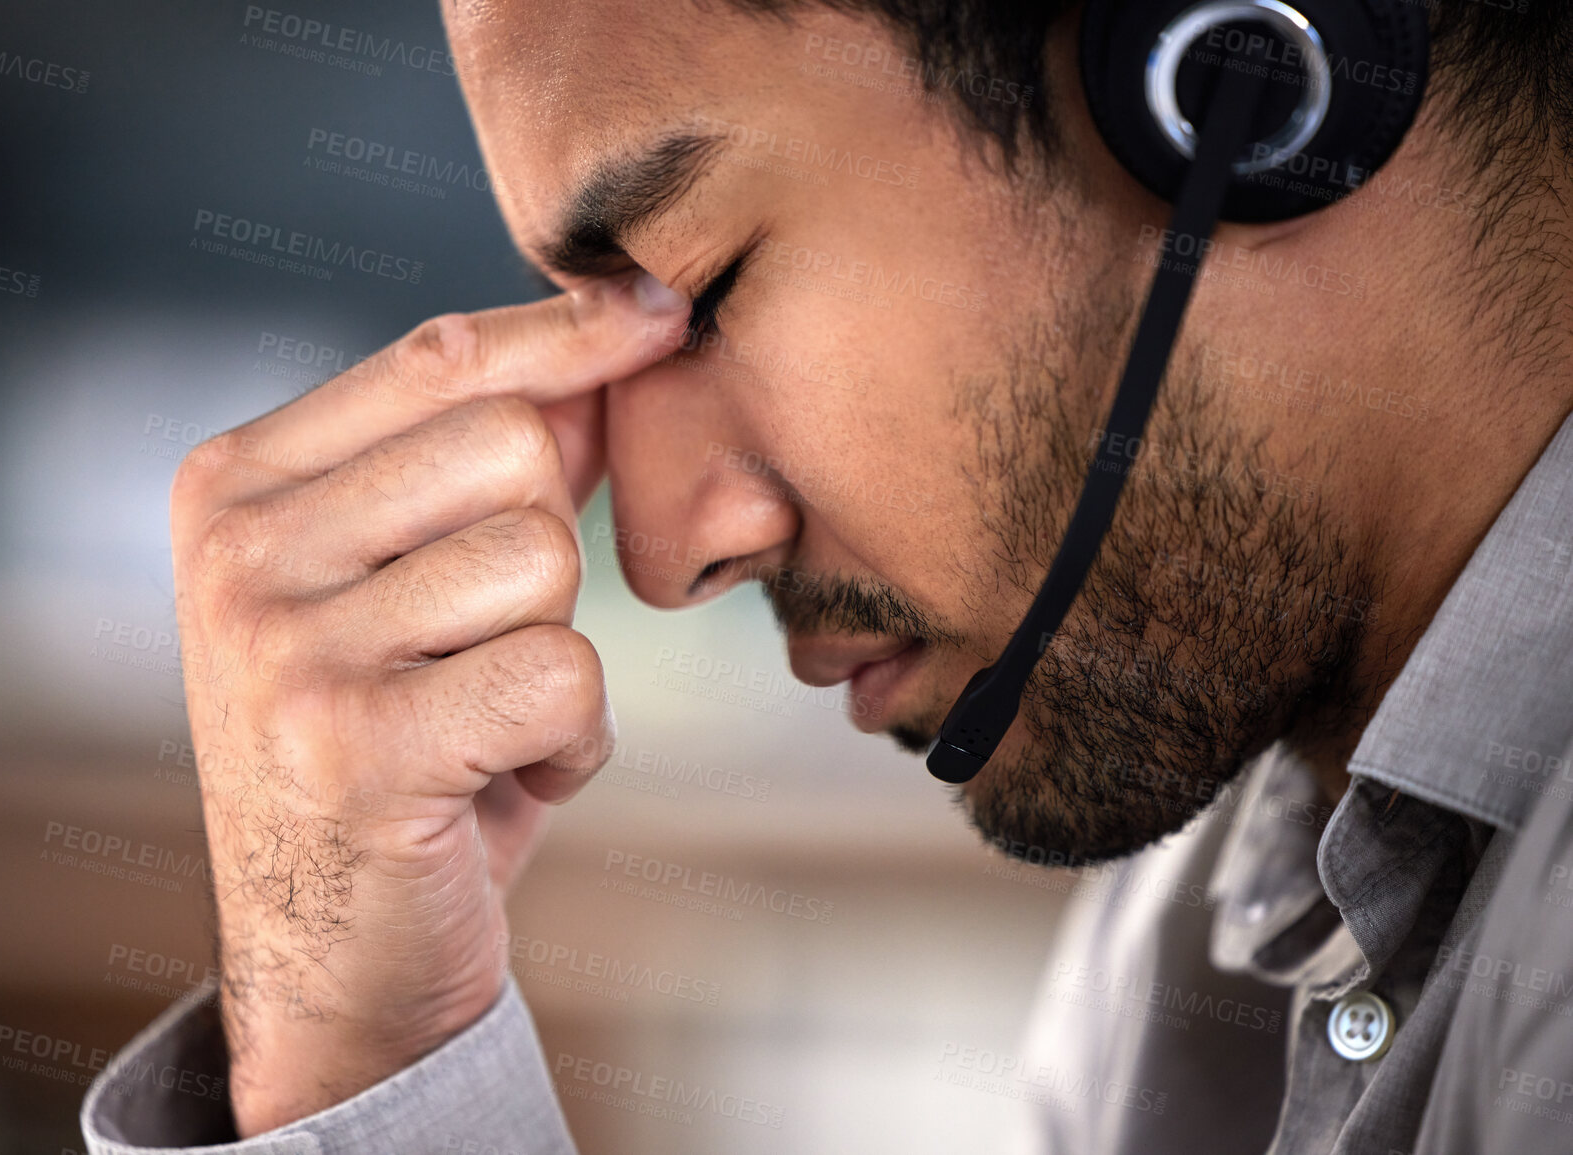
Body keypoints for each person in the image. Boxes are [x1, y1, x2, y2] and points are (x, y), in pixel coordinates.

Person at [82, 0, 1573, 1151]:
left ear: (1235, 77)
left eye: (707, 284)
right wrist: (371, 1052)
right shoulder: (1202, 940)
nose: (663, 556)